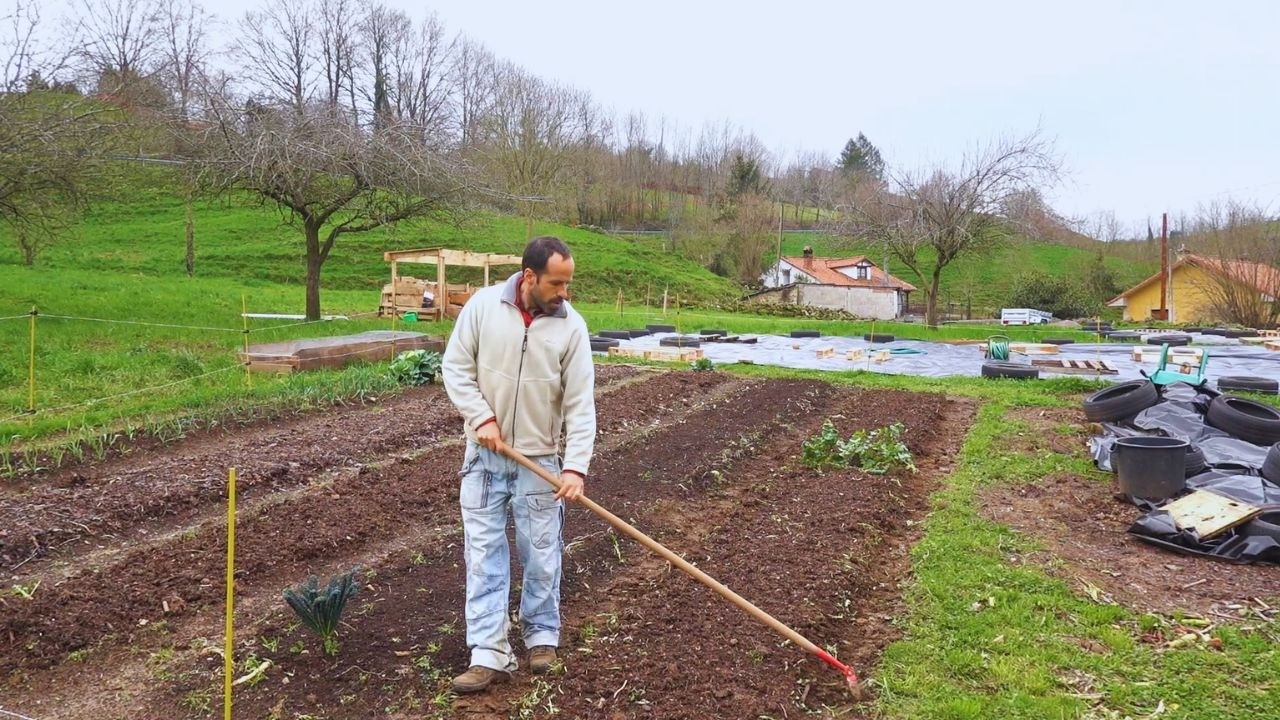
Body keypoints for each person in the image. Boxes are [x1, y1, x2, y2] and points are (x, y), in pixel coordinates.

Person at [441, 236, 596, 694]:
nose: (563, 292)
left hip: (540, 459)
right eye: (556, 283)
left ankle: (542, 636)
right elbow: (456, 368)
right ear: (529, 276)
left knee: (541, 553)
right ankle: (487, 653)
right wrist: (481, 417)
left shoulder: (572, 328)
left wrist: (576, 468)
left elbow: (580, 406)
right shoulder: (484, 307)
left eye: (568, 283)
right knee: (485, 556)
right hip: (485, 456)